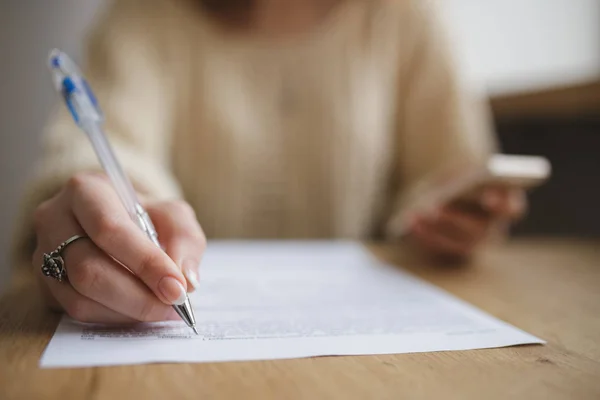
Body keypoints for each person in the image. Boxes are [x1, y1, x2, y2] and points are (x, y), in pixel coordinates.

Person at [12, 0, 525, 324]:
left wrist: (453, 217)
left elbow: (451, 169)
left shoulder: (407, 16)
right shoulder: (141, 17)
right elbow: (107, 149)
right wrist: (97, 213)